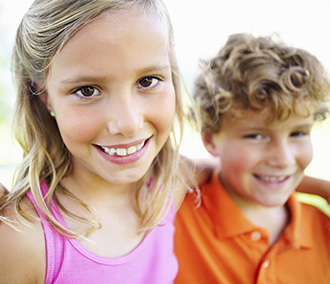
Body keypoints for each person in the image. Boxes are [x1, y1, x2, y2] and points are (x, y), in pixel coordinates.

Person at [0, 0, 197, 283]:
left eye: (147, 81)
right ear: (44, 96)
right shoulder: (24, 240)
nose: (128, 123)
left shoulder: (172, 183)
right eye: (87, 90)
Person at [174, 33, 330, 284]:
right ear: (211, 140)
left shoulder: (324, 229)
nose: (283, 159)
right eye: (256, 136)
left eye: (298, 133)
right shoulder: (173, 220)